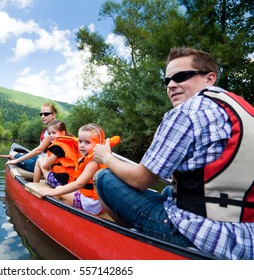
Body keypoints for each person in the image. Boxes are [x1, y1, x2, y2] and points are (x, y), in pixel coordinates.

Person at [93, 47, 254, 260]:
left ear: (209, 78)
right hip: (246, 237)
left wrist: (106, 157)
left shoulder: (187, 112)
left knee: (102, 178)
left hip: (203, 238)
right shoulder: (244, 109)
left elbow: (140, 179)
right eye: (167, 80)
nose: (170, 85)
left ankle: (137, 246)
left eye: (181, 76)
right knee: (169, 193)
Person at [39, 123, 109, 215]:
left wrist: (53, 191)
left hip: (90, 204)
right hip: (94, 202)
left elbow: (79, 184)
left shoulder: (93, 162)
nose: (82, 145)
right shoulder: (92, 158)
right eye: (80, 141)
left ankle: (52, 214)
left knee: (59, 189)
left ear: (98, 144)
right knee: (64, 191)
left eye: (87, 142)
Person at [6, 103, 57, 172]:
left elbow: (39, 150)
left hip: (45, 163)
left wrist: (17, 160)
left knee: (12, 154)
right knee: (15, 154)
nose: (42, 116)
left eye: (46, 114)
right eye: (41, 114)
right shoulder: (57, 127)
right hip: (43, 159)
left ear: (53, 115)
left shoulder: (52, 131)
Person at [33, 120, 79, 187]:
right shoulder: (70, 144)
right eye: (49, 133)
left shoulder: (58, 147)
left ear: (63, 133)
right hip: (71, 180)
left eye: (54, 133)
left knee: (39, 160)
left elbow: (45, 166)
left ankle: (35, 185)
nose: (51, 136)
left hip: (58, 182)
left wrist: (46, 160)